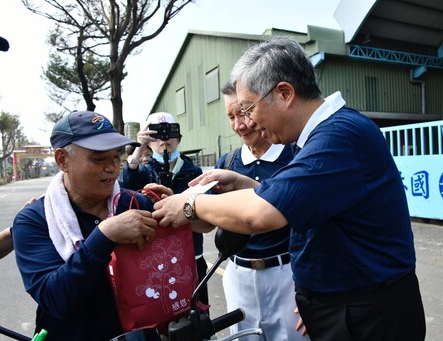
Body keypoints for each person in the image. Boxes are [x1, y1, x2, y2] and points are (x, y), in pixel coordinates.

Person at [152, 36, 426, 341]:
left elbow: (260, 215)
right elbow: (301, 202)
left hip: (366, 311)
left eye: (249, 108)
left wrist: (189, 205)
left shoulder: (338, 137)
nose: (249, 122)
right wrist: (249, 185)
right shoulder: (323, 136)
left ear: (284, 93)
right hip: (344, 302)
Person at [12, 111, 160, 341]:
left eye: (116, 157)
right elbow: (56, 300)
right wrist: (104, 235)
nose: (113, 168)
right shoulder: (34, 220)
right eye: (100, 159)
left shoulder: (135, 204)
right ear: (62, 160)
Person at [216, 81, 306, 340]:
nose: (238, 125)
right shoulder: (229, 163)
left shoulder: (295, 156)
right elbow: (204, 224)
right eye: (231, 116)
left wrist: (312, 291)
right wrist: (184, 203)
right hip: (239, 277)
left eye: (244, 113)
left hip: (287, 276)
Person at [118, 112, 209, 307]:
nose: (163, 140)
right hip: (156, 255)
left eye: (169, 133)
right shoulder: (143, 171)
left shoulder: (193, 172)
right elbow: (126, 183)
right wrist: (138, 148)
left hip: (192, 252)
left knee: (198, 313)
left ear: (179, 138)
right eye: (156, 135)